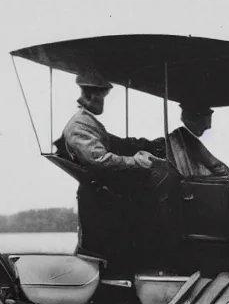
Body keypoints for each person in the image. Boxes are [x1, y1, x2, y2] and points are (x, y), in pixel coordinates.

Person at [55, 71, 168, 274]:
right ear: (89, 96)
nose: (103, 103)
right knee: (102, 250)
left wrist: (151, 145)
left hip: (105, 195)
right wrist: (136, 162)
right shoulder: (79, 125)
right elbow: (100, 159)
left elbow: (117, 143)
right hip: (98, 197)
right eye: (101, 97)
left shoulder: (89, 122)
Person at [168, 102, 229, 177]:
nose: (208, 126)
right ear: (193, 119)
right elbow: (220, 168)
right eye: (206, 117)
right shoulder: (183, 138)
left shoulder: (181, 137)